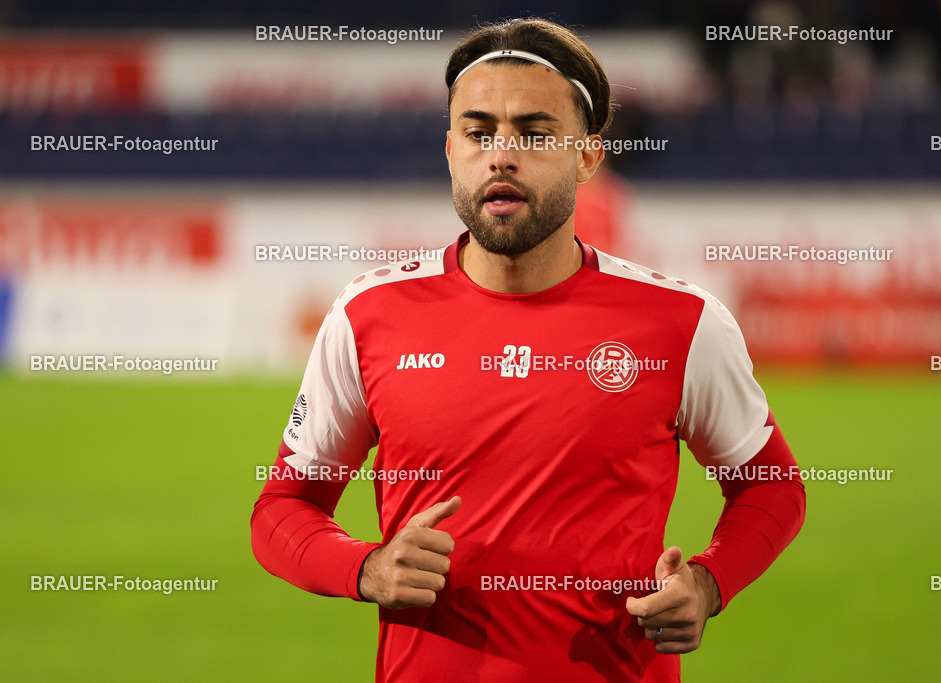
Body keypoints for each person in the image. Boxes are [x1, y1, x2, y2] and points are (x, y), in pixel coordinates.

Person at [251, 17, 805, 682]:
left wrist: (710, 584)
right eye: (478, 131)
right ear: (450, 149)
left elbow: (773, 486)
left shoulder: (682, 323)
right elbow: (283, 506)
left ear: (588, 157)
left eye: (534, 133)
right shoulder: (368, 315)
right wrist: (364, 566)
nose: (501, 154)